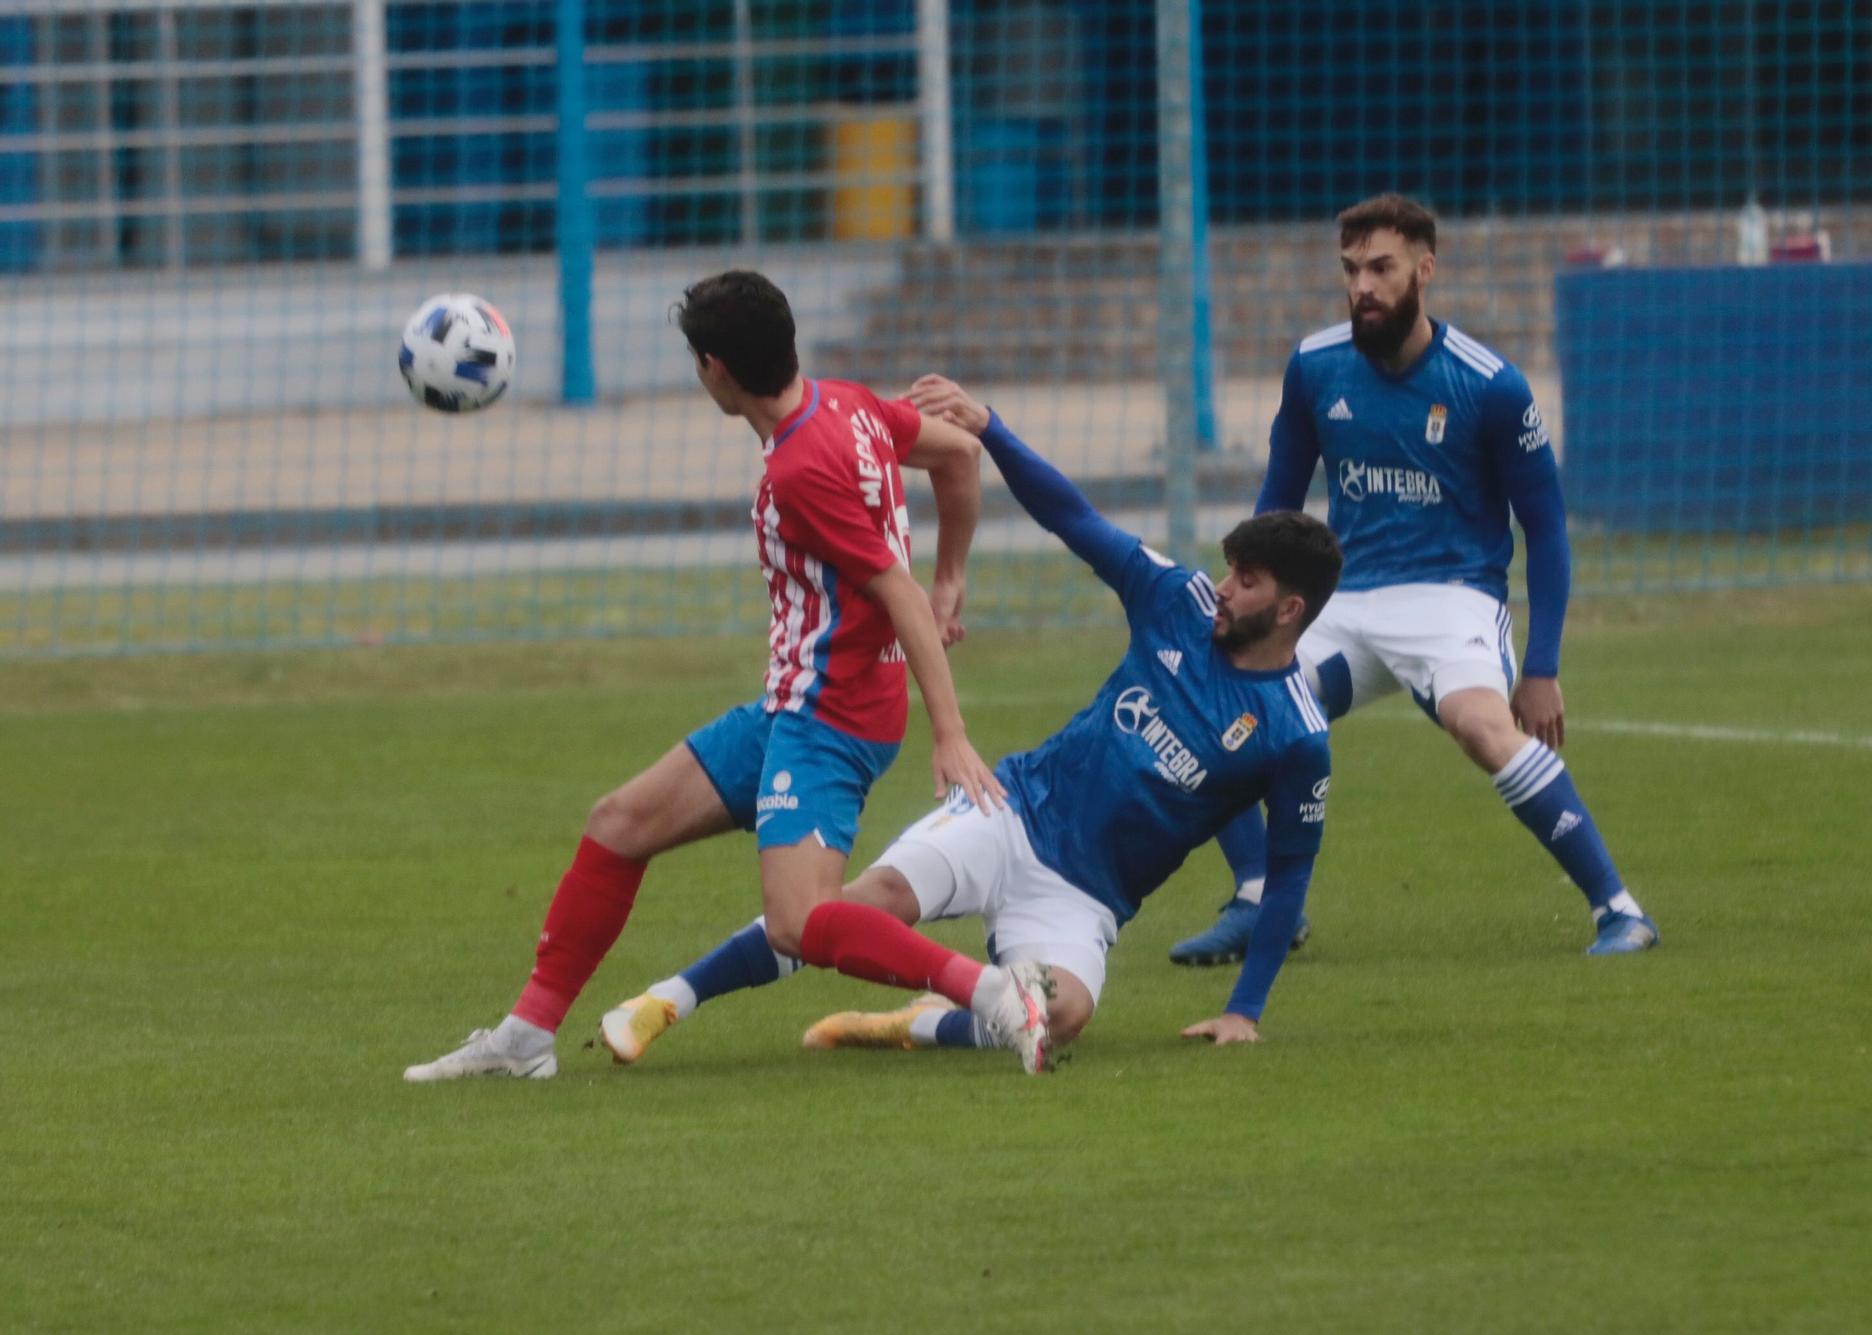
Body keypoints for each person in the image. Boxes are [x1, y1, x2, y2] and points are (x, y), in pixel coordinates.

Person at [405, 271, 1054, 1082]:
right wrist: (955, 570)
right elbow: (958, 453)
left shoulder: (798, 469)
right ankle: (526, 1037)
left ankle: (995, 993)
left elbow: (899, 593)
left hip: (832, 716)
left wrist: (951, 733)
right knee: (619, 823)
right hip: (796, 702)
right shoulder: (846, 404)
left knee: (797, 921)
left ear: (715, 369)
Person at [595, 374, 1338, 1066]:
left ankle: (910, 1023)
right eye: (1230, 569)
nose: (1223, 586)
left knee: (1065, 1014)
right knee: (848, 908)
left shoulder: (1295, 734)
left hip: (1085, 897)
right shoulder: (1179, 602)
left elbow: (1291, 869)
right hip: (1010, 809)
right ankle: (668, 998)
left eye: (1246, 582)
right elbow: (1072, 516)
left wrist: (1245, 1008)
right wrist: (992, 428)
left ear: (1289, 609)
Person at [1170, 194, 1658, 964]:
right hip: (1345, 600)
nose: (1363, 285)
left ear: (1425, 270)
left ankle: (1619, 909)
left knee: (1480, 725)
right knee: (1217, 704)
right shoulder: (1315, 366)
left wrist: (1542, 665)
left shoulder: (1490, 385)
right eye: (1351, 270)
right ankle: (1262, 899)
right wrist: (1244, 599)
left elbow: (1547, 526)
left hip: (1452, 597)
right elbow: (1278, 505)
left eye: (1381, 268)